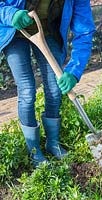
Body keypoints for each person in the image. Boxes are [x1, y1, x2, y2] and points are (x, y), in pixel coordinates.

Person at [0, 0, 95, 167]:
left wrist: (73, 71)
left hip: (47, 31)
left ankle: (53, 143)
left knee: (54, 87)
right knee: (27, 90)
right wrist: (11, 14)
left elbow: (84, 31)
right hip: (14, 31)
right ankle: (34, 151)